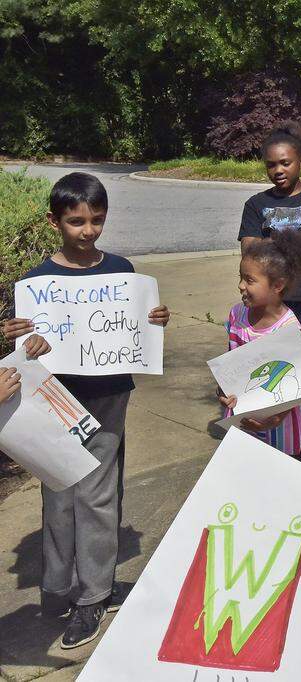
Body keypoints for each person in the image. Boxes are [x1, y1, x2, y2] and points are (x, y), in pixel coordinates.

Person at [1, 172, 170, 648]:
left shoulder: (121, 269)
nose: (88, 231)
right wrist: (25, 340)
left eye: (97, 220)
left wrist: (156, 317)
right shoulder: (36, 282)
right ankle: (63, 588)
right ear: (54, 221)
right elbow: (29, 351)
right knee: (59, 489)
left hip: (110, 392)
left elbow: (138, 326)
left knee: (95, 492)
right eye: (76, 222)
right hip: (56, 398)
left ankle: (90, 592)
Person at [217, 229, 301, 457]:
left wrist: (276, 417)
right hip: (242, 421)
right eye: (240, 277)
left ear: (277, 285)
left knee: (280, 483)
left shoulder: (288, 326)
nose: (241, 285)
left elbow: (298, 382)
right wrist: (221, 391)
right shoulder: (236, 315)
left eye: (249, 280)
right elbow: (228, 368)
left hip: (281, 428)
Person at [238, 124, 301, 333]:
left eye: (285, 163)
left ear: (300, 162)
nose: (278, 170)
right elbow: (250, 251)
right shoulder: (255, 204)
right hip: (269, 302)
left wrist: (270, 242)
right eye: (271, 165)